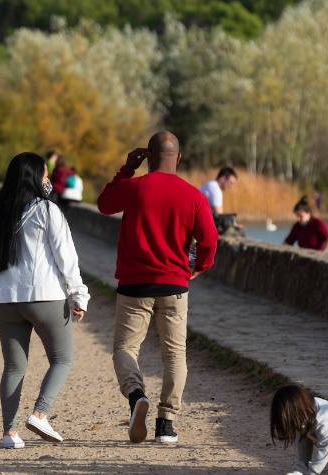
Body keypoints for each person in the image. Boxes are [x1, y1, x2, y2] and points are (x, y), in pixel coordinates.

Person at [97, 131, 218, 444]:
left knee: (125, 349)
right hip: (175, 286)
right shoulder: (193, 196)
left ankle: (136, 395)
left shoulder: (133, 187)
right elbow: (209, 240)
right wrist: (199, 267)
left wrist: (126, 170)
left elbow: (104, 204)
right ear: (178, 158)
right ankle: (166, 423)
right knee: (175, 355)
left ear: (146, 158)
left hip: (134, 286)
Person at [0, 152, 89, 449]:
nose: (48, 181)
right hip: (45, 296)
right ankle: (40, 413)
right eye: (45, 175)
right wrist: (78, 294)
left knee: (13, 367)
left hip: (5, 301)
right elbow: (67, 258)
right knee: (62, 359)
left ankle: (9, 433)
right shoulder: (48, 211)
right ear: (36, 178)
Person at [199, 166, 243, 235]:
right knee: (239, 232)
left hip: (199, 221)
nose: (230, 186)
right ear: (223, 178)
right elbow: (219, 216)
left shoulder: (210, 184)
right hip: (200, 224)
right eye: (230, 183)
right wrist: (234, 225)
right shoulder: (216, 190)